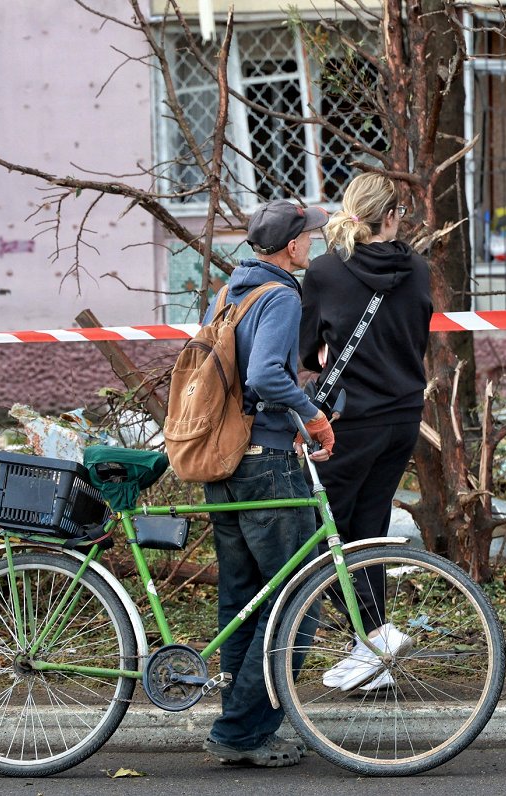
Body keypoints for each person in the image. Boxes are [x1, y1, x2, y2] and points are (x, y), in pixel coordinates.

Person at [201, 199, 335, 768]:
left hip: (225, 462)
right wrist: (309, 414)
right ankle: (239, 732)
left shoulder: (229, 294)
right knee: (295, 603)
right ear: (292, 247)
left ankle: (244, 730)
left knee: (242, 601)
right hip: (267, 466)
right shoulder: (280, 295)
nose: (315, 242)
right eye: (310, 235)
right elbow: (264, 376)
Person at [299, 173, 433, 691]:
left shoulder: (326, 273)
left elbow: (307, 351)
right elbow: (415, 337)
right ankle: (370, 645)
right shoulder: (417, 270)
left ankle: (373, 637)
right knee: (369, 530)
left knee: (324, 530)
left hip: (352, 421)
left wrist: (326, 352)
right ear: (392, 216)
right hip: (403, 417)